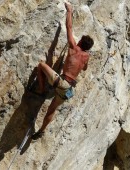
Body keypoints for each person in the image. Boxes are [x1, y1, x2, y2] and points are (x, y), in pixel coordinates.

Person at [32, 2, 94, 140]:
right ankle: (41, 130)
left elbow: (69, 27)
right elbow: (84, 68)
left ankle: (41, 90)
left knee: (42, 65)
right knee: (51, 109)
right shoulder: (86, 57)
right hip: (68, 89)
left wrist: (69, 11)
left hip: (62, 82)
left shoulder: (74, 48)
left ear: (80, 43)